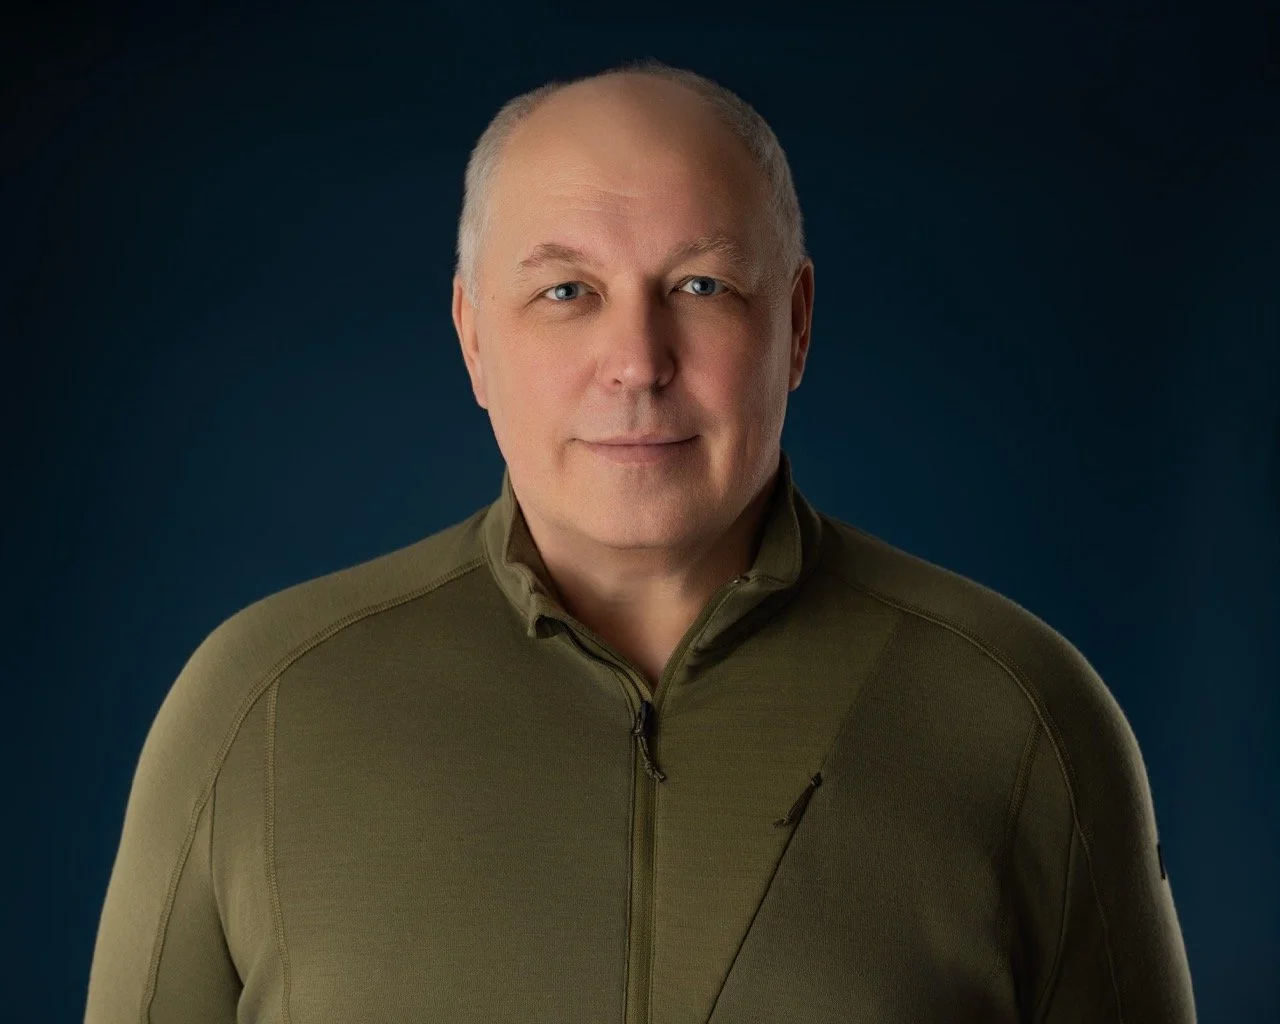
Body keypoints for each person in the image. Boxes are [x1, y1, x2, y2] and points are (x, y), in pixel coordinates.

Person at [85, 59, 1197, 1023]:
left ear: (795, 324)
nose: (636, 359)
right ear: (473, 336)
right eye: (566, 291)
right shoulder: (257, 709)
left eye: (700, 286)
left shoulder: (1019, 714)